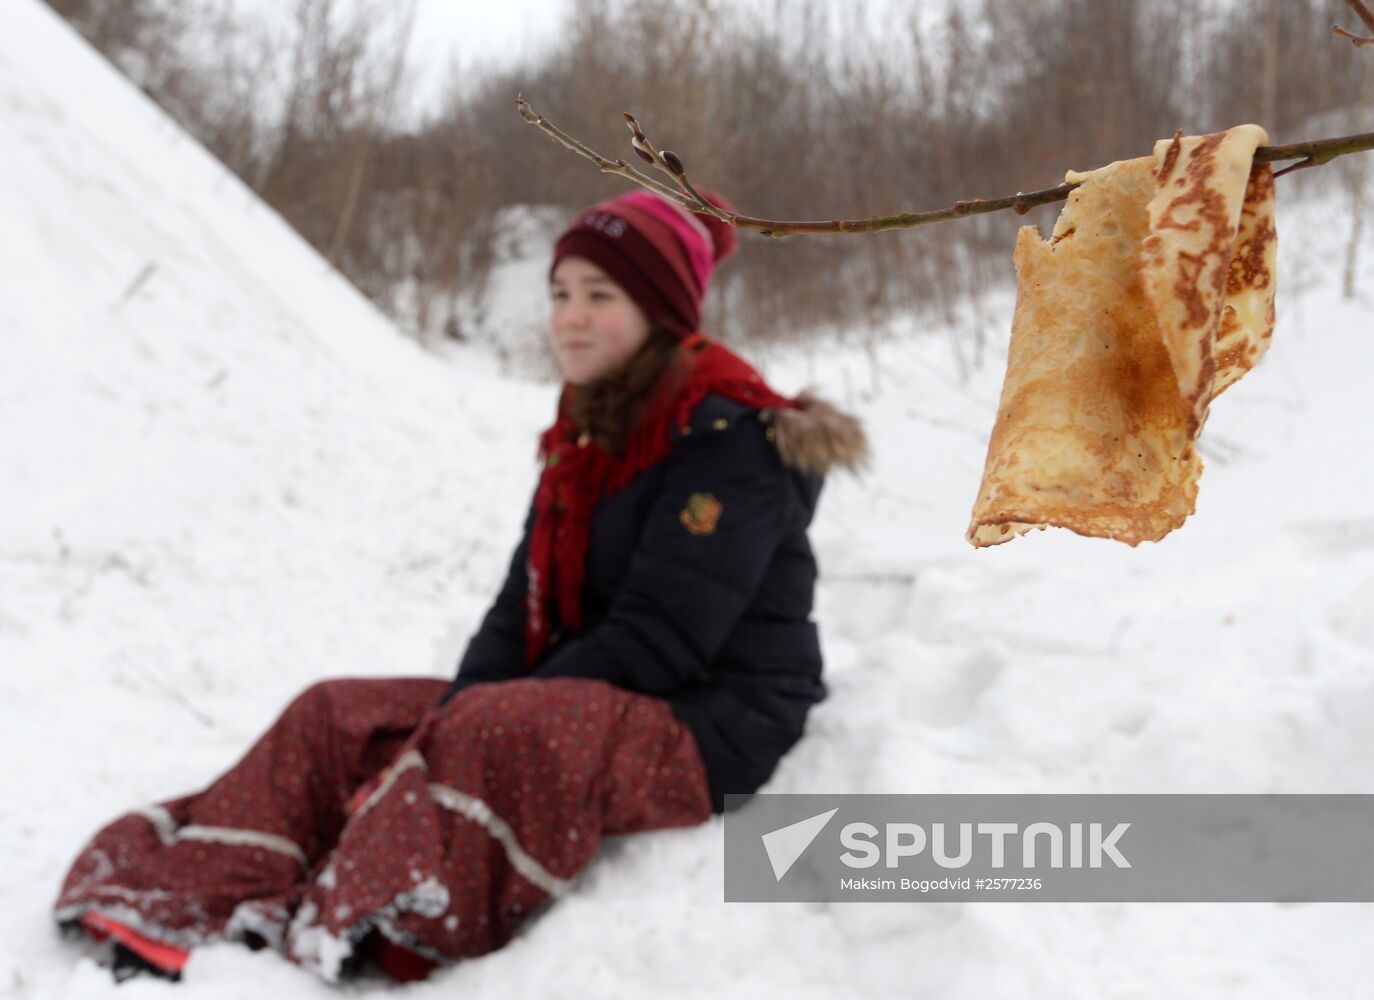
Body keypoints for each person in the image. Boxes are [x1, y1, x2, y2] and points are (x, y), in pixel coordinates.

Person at [54, 188, 867, 984]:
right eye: (559, 293)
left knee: (486, 728)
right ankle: (200, 894)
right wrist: (440, 722)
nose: (569, 316)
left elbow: (661, 640)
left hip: (715, 722)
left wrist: (455, 736)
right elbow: (520, 606)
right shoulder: (582, 434)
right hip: (593, 695)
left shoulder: (729, 436)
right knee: (337, 712)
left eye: (599, 295)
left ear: (661, 311)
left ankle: (358, 923)